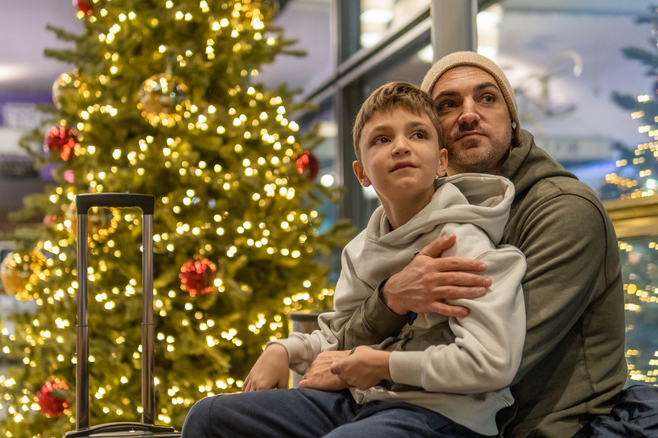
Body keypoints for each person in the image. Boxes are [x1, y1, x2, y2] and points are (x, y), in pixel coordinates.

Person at [304, 52, 628, 437]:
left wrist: (362, 361)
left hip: (539, 425)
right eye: (448, 105)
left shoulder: (563, 209)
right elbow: (354, 330)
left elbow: (501, 354)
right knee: (218, 416)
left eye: (487, 98)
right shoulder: (430, 214)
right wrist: (389, 298)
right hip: (405, 404)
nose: (469, 114)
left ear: (513, 121)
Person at [182, 81, 528, 437]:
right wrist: (283, 350)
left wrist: (384, 364)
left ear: (442, 162)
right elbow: (341, 336)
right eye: (382, 139)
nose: (401, 146)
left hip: (444, 414)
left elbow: (490, 363)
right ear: (361, 172)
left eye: (418, 134)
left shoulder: (464, 240)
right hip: (360, 403)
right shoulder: (359, 249)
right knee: (208, 417)